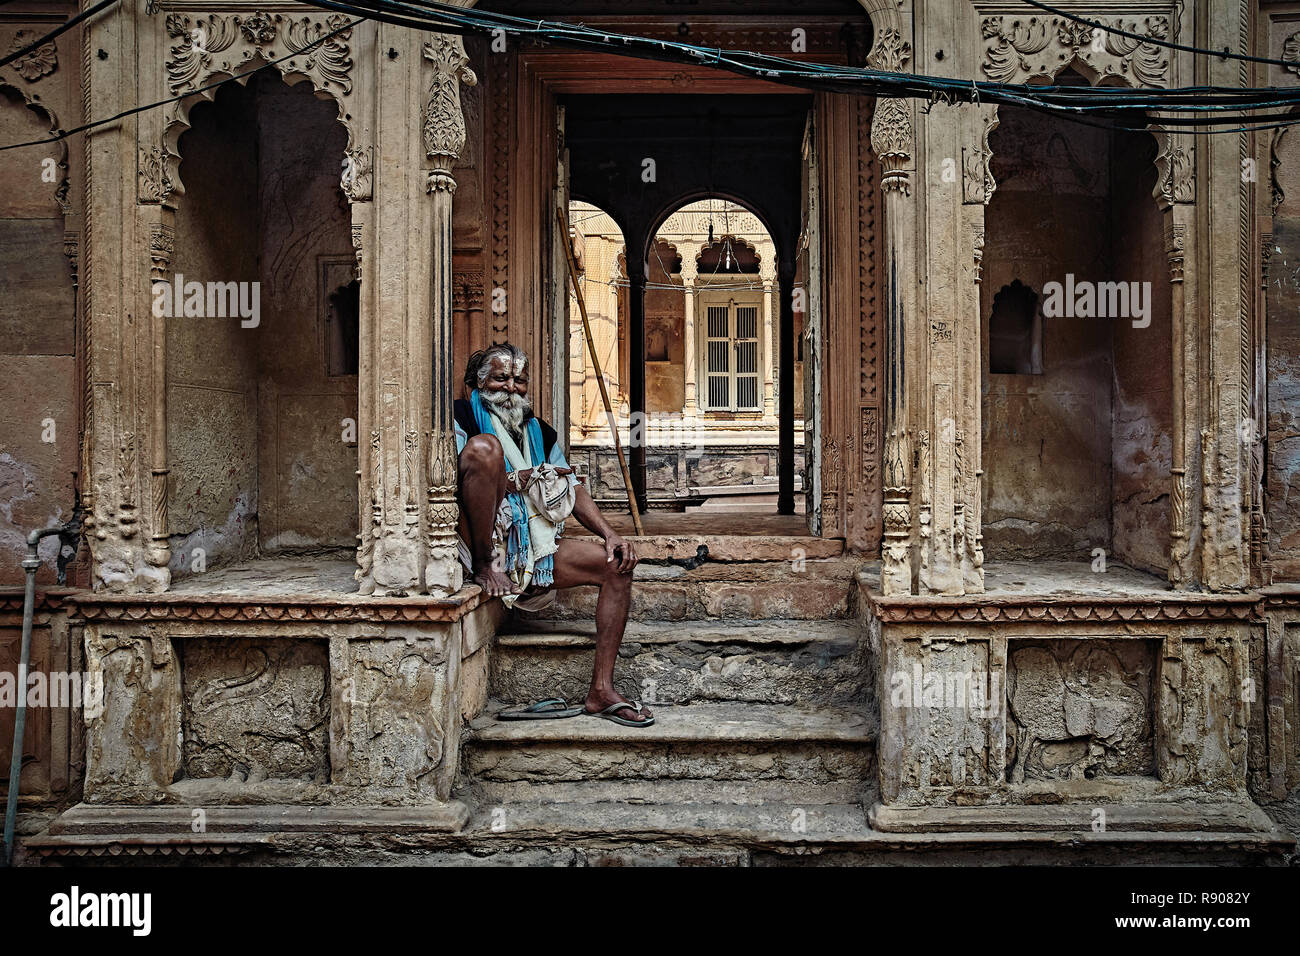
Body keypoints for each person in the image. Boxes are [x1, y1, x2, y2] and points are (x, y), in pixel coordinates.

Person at [454, 344, 654, 727]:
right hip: (480, 544)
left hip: (534, 553)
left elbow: (572, 484)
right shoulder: (460, 417)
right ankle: (485, 566)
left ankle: (601, 690)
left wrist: (610, 535)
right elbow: (456, 483)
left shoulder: (538, 430)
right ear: (475, 385)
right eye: (500, 379)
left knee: (617, 566)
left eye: (519, 380)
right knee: (486, 449)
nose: (511, 388)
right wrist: (518, 479)